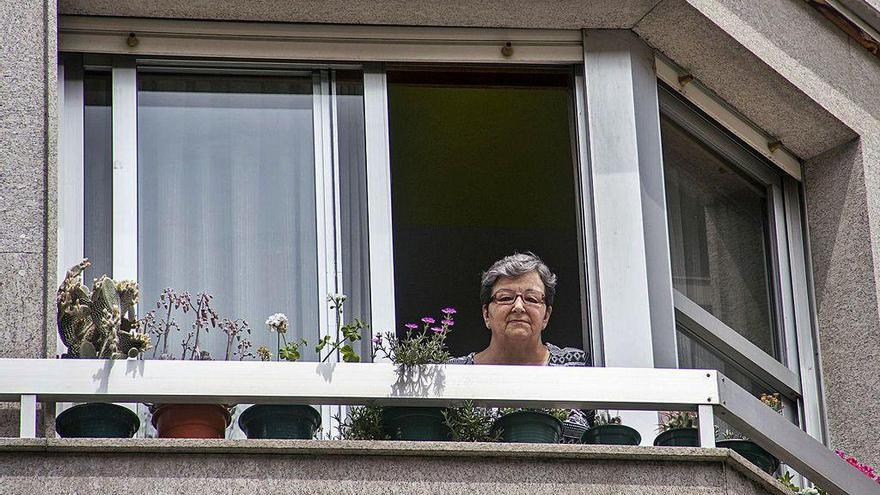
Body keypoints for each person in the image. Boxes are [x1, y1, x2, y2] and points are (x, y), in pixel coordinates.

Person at [448, 251, 594, 442]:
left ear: (546, 315)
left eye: (531, 299)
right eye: (505, 298)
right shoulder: (453, 373)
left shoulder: (576, 366)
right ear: (486, 314)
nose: (518, 307)